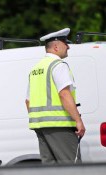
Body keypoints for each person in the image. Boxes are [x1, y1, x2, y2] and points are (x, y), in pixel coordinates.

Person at [25, 27, 85, 164]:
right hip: (60, 125)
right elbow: (64, 94)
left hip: (40, 127)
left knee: (51, 170)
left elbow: (28, 101)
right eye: (66, 43)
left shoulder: (35, 69)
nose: (68, 47)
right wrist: (78, 121)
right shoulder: (58, 65)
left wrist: (41, 120)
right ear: (56, 47)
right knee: (72, 168)